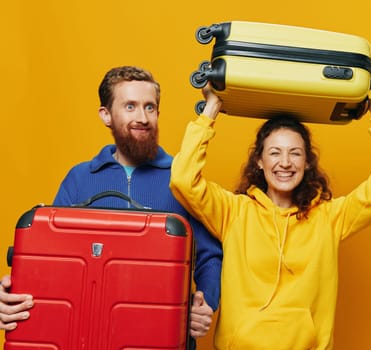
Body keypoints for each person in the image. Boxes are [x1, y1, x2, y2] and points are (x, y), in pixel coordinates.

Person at [169, 83, 371, 349]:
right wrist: (210, 108)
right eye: (274, 153)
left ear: (307, 163)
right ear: (259, 161)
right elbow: (183, 179)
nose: (285, 163)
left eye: (295, 154)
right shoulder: (234, 211)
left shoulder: (329, 217)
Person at [0, 66, 223, 341]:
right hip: (86, 335)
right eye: (130, 106)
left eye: (150, 107)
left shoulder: (182, 179)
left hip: (157, 336)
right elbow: (50, 257)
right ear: (106, 115)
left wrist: (205, 302)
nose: (142, 118)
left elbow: (209, 257)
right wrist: (11, 293)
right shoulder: (79, 178)